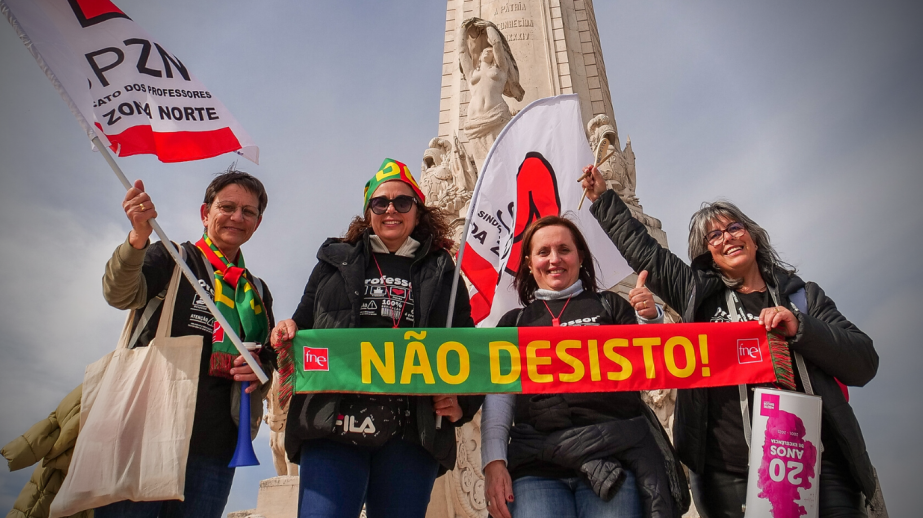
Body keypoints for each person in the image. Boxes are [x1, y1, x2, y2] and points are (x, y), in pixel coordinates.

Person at [580, 165, 879, 518]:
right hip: (732, 474)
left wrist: (801, 328)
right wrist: (603, 199)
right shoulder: (696, 294)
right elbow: (646, 253)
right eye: (715, 236)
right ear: (707, 254)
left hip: (819, 463)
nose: (728, 238)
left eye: (734, 228)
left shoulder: (802, 297)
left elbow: (863, 361)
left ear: (753, 236)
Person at [270, 158, 483, 518]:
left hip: (410, 431)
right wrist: (285, 331)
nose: (391, 210)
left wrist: (462, 402)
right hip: (333, 422)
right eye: (380, 202)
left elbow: (467, 345)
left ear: (418, 211)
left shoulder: (443, 269)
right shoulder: (333, 261)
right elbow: (301, 322)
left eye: (403, 202)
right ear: (368, 211)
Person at [481, 215, 689, 518]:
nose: (554, 259)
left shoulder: (611, 306)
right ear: (529, 263)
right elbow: (499, 400)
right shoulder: (513, 323)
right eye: (543, 252)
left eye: (564, 249)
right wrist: (494, 463)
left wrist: (649, 318)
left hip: (612, 459)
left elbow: (651, 367)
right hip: (536, 467)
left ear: (580, 256)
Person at [98, 168, 275, 518]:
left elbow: (266, 356)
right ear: (205, 213)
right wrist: (138, 238)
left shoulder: (257, 290)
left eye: (248, 212)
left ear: (256, 223)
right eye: (227, 207)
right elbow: (118, 293)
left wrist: (260, 372)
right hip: (147, 435)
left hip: (215, 450)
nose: (237, 217)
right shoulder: (172, 256)